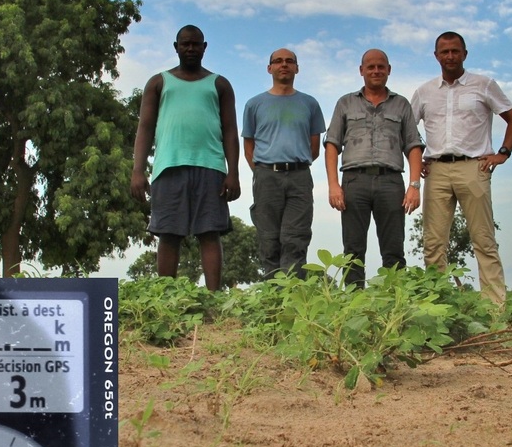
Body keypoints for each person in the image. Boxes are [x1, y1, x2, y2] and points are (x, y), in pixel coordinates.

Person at [411, 31, 512, 305]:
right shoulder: (424, 92)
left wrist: (503, 154)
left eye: (455, 51)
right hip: (436, 170)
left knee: (483, 240)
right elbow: (406, 131)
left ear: (465, 54)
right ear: (436, 56)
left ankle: (495, 309)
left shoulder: (483, 85)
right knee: (434, 244)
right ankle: (438, 308)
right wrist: (416, 160)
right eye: (444, 51)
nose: (450, 56)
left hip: (474, 168)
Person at [130, 25, 240, 291]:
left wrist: (233, 172)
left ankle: (214, 298)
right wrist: (138, 170)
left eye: (195, 44)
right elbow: (145, 126)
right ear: (176, 47)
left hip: (211, 166)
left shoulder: (219, 84)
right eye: (185, 44)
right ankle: (166, 298)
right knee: (168, 233)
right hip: (169, 166)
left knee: (210, 232)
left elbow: (230, 130)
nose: (190, 49)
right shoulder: (159, 82)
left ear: (204, 47)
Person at [324, 49, 424, 288]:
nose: (376, 71)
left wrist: (414, 186)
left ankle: (393, 302)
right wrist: (333, 185)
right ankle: (353, 303)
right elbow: (331, 145)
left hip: (390, 183)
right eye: (370, 67)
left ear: (389, 70)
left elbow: (413, 145)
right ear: (361, 71)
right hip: (353, 181)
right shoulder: (345, 103)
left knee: (393, 247)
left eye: (381, 67)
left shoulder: (401, 105)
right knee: (353, 249)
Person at [242, 48, 326, 279]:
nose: (284, 65)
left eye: (290, 61)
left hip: (299, 177)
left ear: (297, 68)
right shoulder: (254, 104)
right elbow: (248, 144)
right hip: (266, 177)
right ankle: (273, 301)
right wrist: (261, 170)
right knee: (269, 240)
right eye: (278, 61)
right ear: (269, 68)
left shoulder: (309, 103)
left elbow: (315, 147)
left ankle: (294, 298)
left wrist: (293, 164)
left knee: (295, 240)